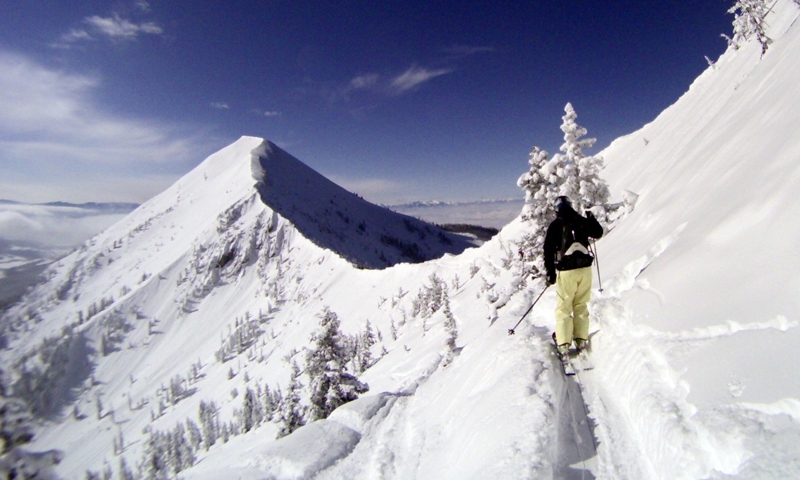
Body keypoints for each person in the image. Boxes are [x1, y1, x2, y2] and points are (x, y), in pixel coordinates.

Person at [543, 196, 603, 357]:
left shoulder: (556, 225)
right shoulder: (581, 221)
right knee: (581, 304)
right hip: (585, 268)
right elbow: (598, 233)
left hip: (566, 270)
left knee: (564, 307)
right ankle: (581, 339)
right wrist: (592, 219)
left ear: (557, 209)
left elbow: (548, 251)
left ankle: (563, 343)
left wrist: (550, 273)